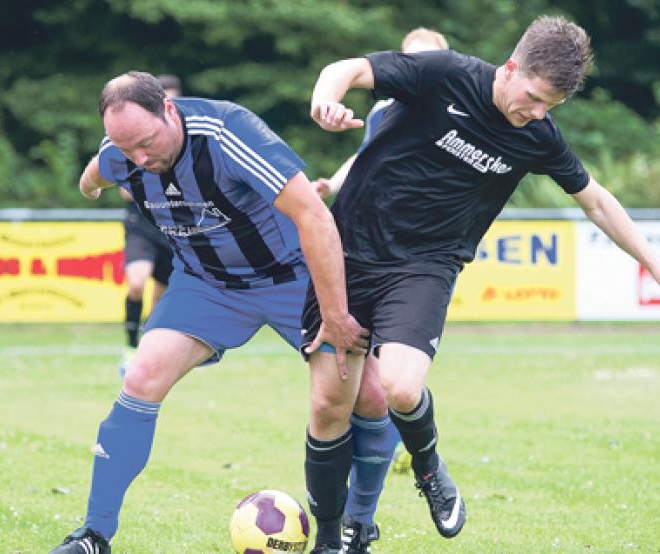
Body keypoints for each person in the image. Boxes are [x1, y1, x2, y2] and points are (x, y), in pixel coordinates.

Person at [300, 15, 660, 553]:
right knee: (328, 407)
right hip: (348, 253)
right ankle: (330, 540)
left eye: (550, 107)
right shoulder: (443, 74)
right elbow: (347, 68)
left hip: (426, 265)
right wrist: (326, 101)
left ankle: (428, 468)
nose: (536, 113)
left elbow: (596, 200)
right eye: (532, 97)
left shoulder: (537, 136)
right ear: (510, 68)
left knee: (401, 387)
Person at [49, 71, 367, 554]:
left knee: (365, 400)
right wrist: (92, 182)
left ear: (170, 112)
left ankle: (353, 529)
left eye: (147, 143)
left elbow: (315, 216)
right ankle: (93, 535)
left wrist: (336, 312)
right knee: (140, 378)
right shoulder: (124, 153)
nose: (140, 159)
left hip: (291, 279)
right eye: (125, 148)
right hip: (208, 286)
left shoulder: (229, 134)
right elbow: (94, 173)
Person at [309, 26, 448, 554]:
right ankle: (341, 521)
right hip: (354, 257)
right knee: (336, 401)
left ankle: (359, 521)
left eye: (429, 65)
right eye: (408, 64)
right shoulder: (387, 110)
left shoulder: (456, 119)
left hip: (409, 268)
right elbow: (367, 157)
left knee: (379, 392)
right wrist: (333, 182)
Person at [313, 28, 449, 197]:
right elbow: (363, 155)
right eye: (411, 60)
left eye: (428, 60)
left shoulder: (458, 114)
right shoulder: (382, 110)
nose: (419, 68)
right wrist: (332, 184)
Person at [117, 74, 181, 377]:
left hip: (170, 227)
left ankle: (147, 349)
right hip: (141, 223)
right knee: (137, 282)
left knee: (163, 293)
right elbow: (123, 188)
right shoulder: (135, 138)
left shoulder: (186, 143)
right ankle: (129, 346)